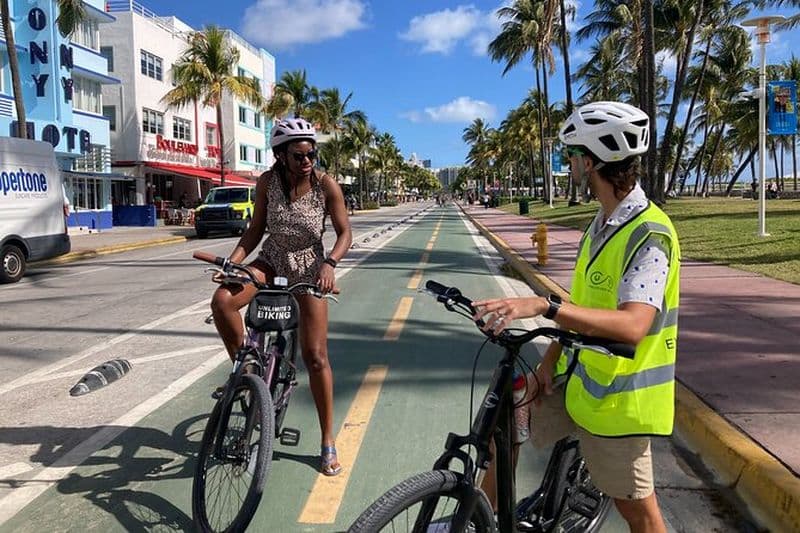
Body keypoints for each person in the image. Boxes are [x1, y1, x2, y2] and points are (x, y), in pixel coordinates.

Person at [475, 101, 680, 533]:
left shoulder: (650, 234)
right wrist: (547, 364)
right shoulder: (601, 223)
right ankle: (479, 521)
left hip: (620, 404)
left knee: (641, 516)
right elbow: (583, 305)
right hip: (578, 383)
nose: (568, 164)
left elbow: (633, 325)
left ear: (590, 161)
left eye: (571, 155)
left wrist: (544, 306)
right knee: (508, 419)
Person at [209, 117, 352, 476]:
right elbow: (255, 229)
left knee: (316, 356)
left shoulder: (326, 185)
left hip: (309, 264)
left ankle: (327, 439)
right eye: (299, 155)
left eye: (311, 153)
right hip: (271, 259)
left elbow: (344, 232)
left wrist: (330, 264)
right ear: (281, 156)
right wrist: (235, 264)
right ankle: (249, 371)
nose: (307, 161)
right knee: (223, 300)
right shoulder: (267, 183)